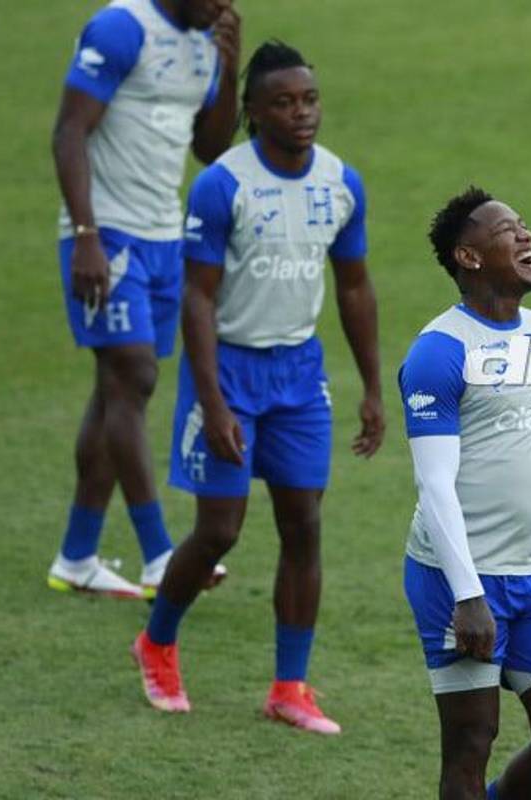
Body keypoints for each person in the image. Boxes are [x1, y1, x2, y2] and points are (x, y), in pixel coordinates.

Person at [130, 41, 385, 734]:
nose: (302, 113)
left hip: (299, 377)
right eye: (283, 102)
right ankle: (156, 642)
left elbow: (355, 287)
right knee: (220, 532)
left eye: (309, 99)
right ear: (251, 112)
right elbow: (197, 301)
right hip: (230, 373)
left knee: (303, 526)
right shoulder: (223, 186)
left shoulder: (341, 183)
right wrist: (212, 402)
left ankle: (289, 687)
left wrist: (370, 386)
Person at [400, 186, 531, 798]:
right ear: (468, 258)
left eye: (525, 225)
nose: (527, 236)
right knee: (470, 744)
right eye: (507, 231)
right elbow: (434, 482)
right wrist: (468, 595)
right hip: (458, 578)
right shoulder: (439, 353)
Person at [49, 0, 240, 599]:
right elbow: (69, 130)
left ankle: (77, 557)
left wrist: (229, 67)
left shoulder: (208, 41)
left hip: (163, 237)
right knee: (132, 374)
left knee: (117, 389)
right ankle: (159, 553)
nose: (221, 4)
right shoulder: (122, 27)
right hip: (106, 235)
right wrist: (85, 236)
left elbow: (208, 149)